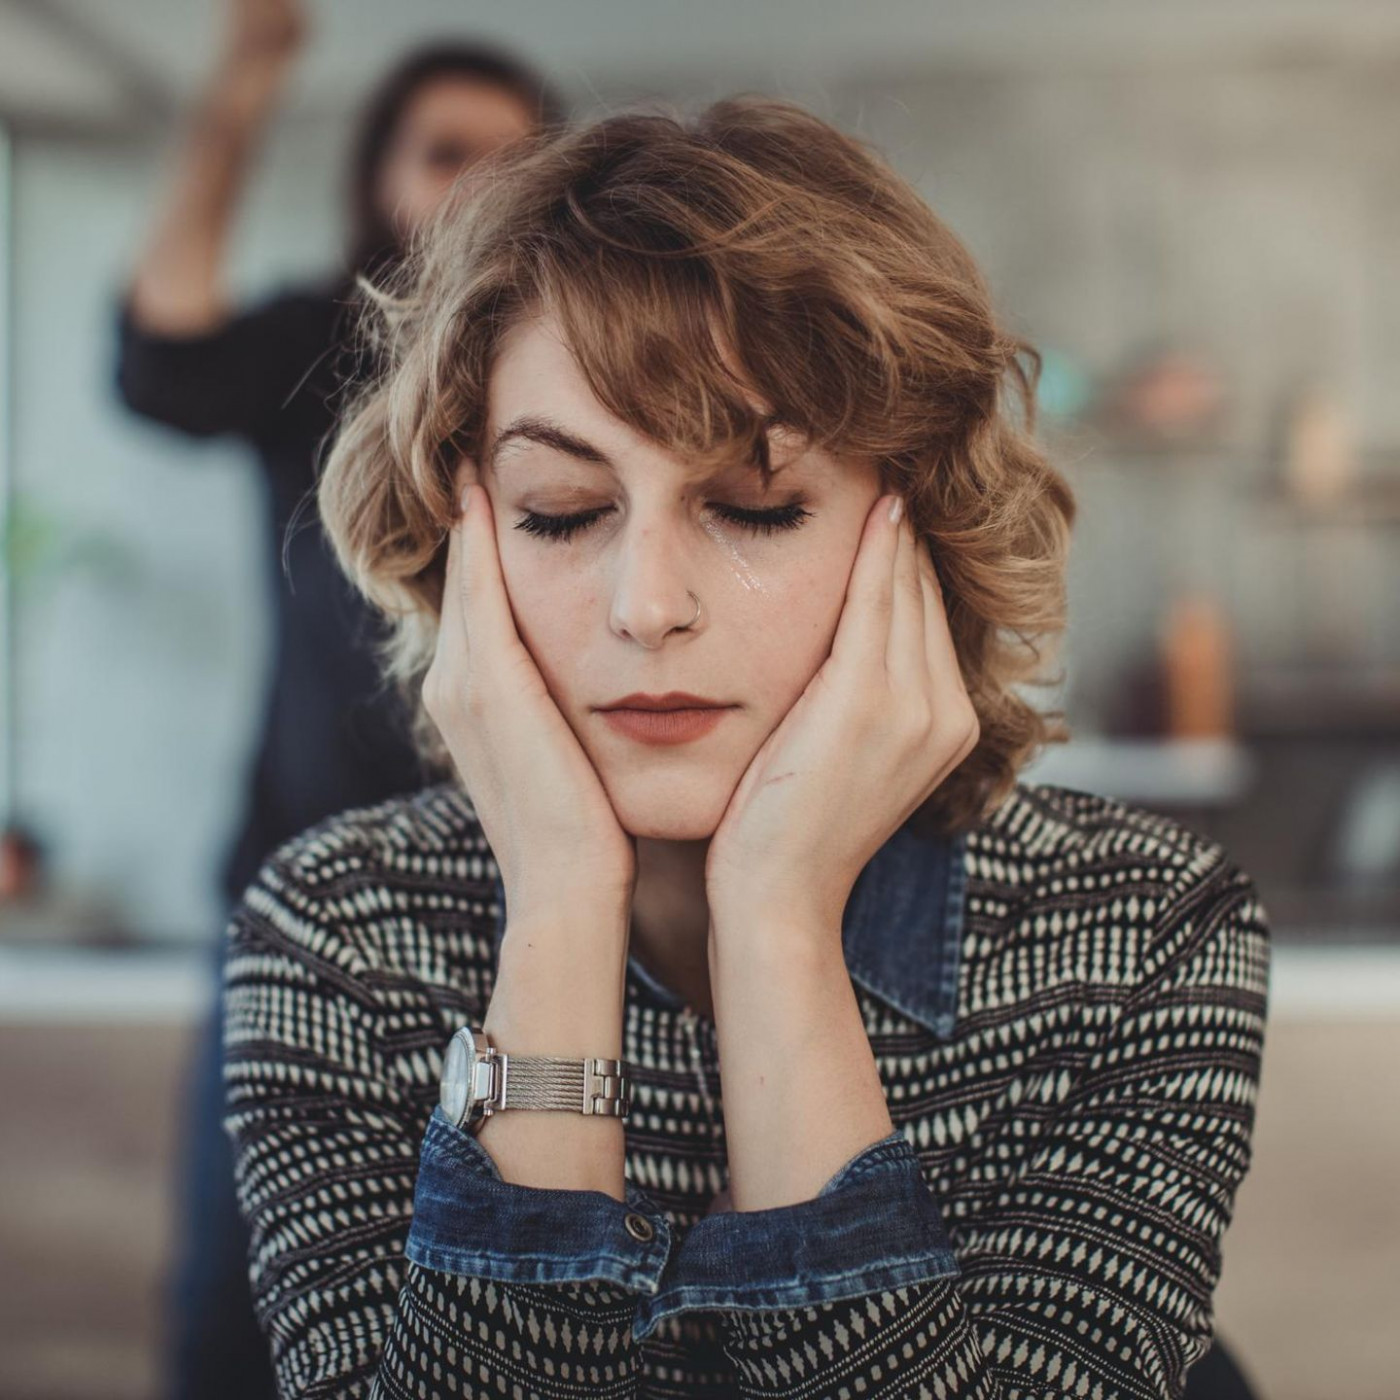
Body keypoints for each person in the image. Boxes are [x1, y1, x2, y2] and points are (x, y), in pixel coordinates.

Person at [221, 97, 1272, 1398]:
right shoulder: (339, 929)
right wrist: (557, 899)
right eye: (560, 513)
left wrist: (778, 923)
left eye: (757, 505)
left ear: (922, 541)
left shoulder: (1143, 929)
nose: (646, 604)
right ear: (463, 540)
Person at [110, 3, 563, 1394]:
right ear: (380, 177)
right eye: (445, 151)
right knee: (245, 1294)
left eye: (516, 156)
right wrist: (243, 87)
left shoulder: (584, 360)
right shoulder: (321, 344)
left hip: (528, 922)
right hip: (298, 902)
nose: (479, 181)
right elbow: (159, 352)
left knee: (505, 1272)